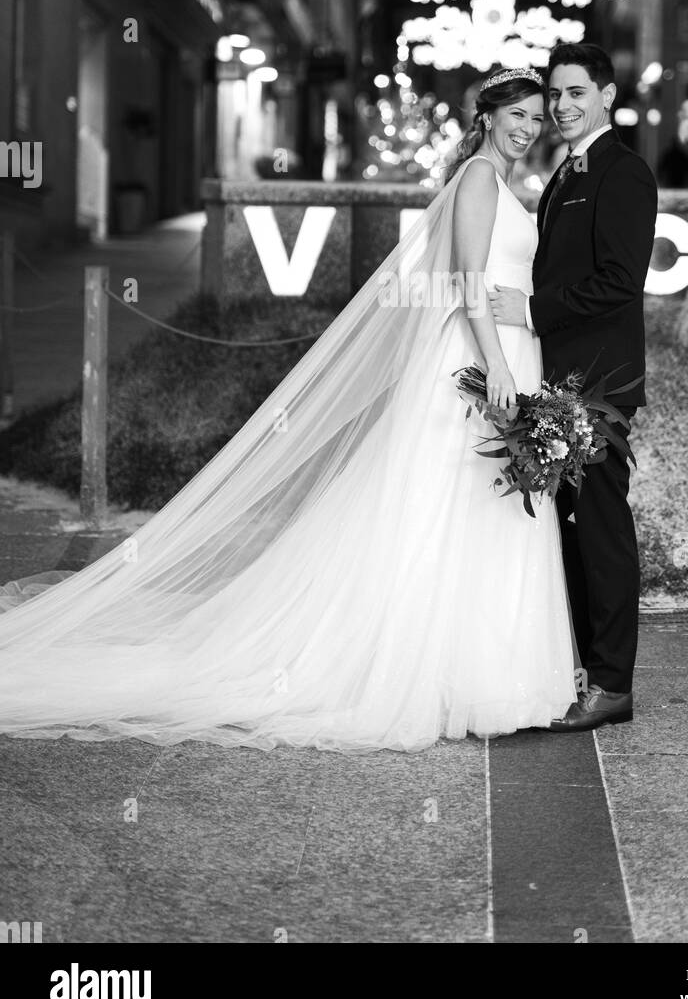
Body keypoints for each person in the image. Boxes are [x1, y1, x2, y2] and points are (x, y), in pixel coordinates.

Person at [0, 69, 576, 754]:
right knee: (450, 506)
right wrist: (500, 370)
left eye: (538, 118)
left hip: (502, 353)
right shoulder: (480, 178)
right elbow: (467, 284)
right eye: (518, 113)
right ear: (486, 117)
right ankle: (441, 672)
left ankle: (481, 672)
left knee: (478, 506)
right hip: (484, 362)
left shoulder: (500, 182)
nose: (529, 127)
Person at [490, 44, 658, 731]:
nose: (561, 106)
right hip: (560, 380)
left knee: (601, 529)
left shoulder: (622, 172)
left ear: (607, 96)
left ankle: (611, 685)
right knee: (572, 530)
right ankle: (583, 671)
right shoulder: (566, 170)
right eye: (555, 94)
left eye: (575, 93)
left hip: (599, 385)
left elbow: (620, 280)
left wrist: (530, 313)